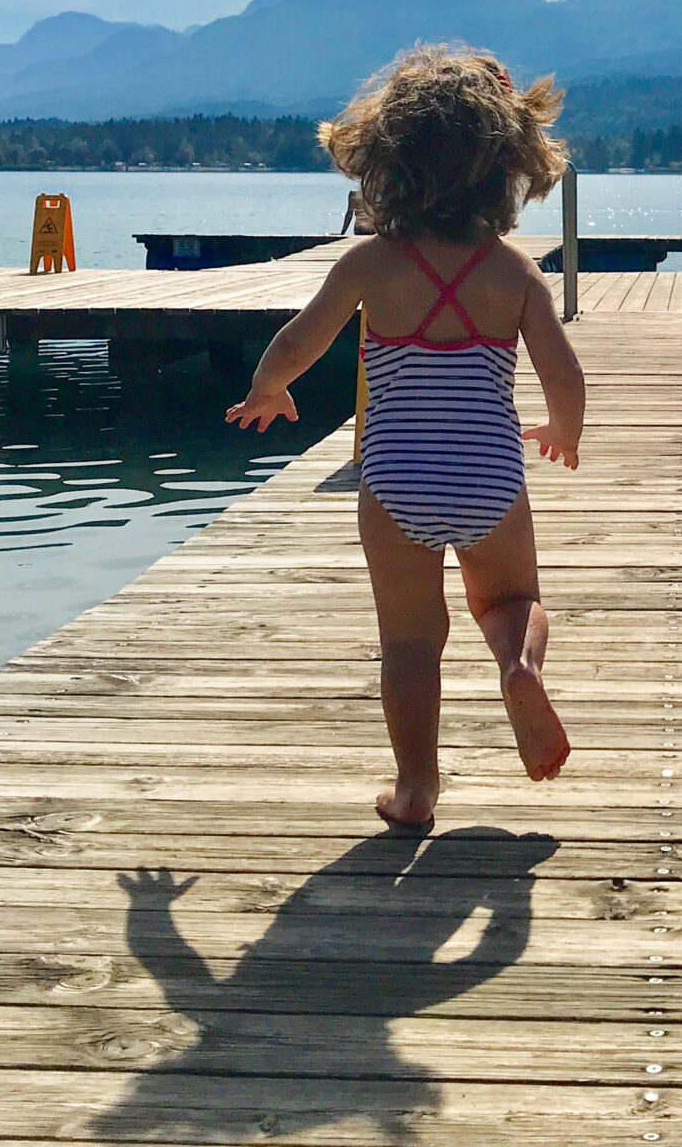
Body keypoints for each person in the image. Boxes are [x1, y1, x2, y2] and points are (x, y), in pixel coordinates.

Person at [227, 46, 586, 825]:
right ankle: (519, 668)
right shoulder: (514, 274)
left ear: (385, 164)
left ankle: (417, 788)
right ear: (507, 169)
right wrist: (563, 431)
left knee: (411, 641)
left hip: (394, 483)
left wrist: (268, 390)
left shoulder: (369, 265)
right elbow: (565, 373)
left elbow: (298, 341)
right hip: (490, 476)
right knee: (511, 598)